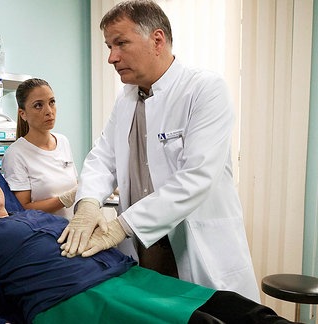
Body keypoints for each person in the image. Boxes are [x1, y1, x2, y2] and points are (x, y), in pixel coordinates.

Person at [57, 0, 260, 302]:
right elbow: (103, 157)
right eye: (108, 46)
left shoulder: (204, 89)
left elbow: (196, 177)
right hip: (144, 244)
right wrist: (87, 204)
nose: (111, 57)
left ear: (157, 39)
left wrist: (120, 227)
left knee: (208, 315)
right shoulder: (125, 100)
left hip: (195, 244)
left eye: (121, 43)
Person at [0, 162, 292, 324]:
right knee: (201, 322)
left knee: (237, 307)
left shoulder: (33, 216)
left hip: (120, 277)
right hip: (70, 297)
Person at [1, 78, 78, 220]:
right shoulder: (16, 154)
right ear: (22, 113)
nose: (49, 111)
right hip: (45, 234)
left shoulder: (62, 141)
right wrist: (64, 199)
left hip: (73, 229)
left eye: (52, 102)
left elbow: (73, 184)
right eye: (38, 105)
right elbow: (22, 209)